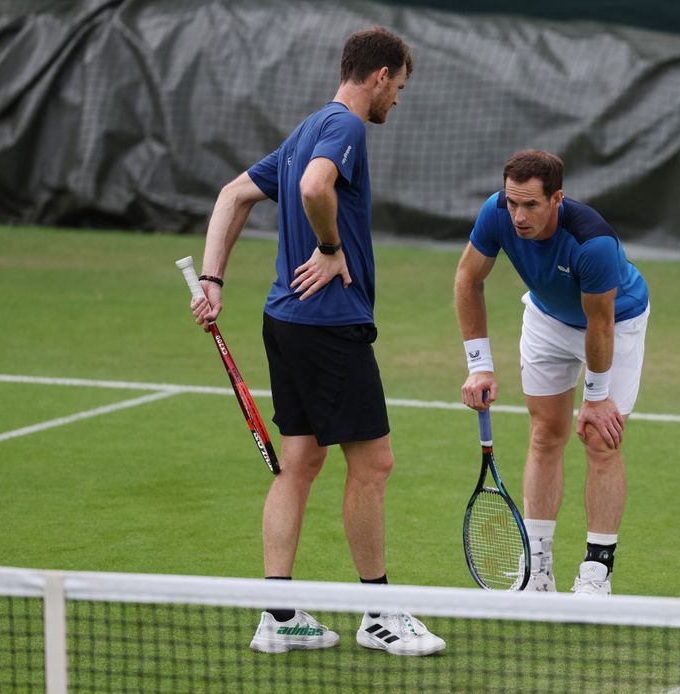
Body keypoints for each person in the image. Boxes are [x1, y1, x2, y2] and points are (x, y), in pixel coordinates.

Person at [190, 27, 444, 656]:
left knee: (299, 463)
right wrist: (331, 251)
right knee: (374, 463)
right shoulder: (345, 128)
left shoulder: (306, 129)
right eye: (400, 88)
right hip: (330, 326)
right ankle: (378, 611)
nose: (399, 102)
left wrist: (213, 278)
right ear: (380, 75)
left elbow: (232, 195)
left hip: (286, 323)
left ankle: (278, 614)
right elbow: (312, 188)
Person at [455, 150, 650, 596]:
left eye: (531, 205)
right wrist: (480, 365)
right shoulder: (496, 213)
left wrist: (596, 396)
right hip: (547, 319)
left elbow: (599, 325)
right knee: (546, 434)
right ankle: (536, 567)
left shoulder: (592, 243)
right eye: (511, 203)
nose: (518, 216)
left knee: (601, 438)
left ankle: (597, 570)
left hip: (616, 323)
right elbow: (469, 278)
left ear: (557, 198)